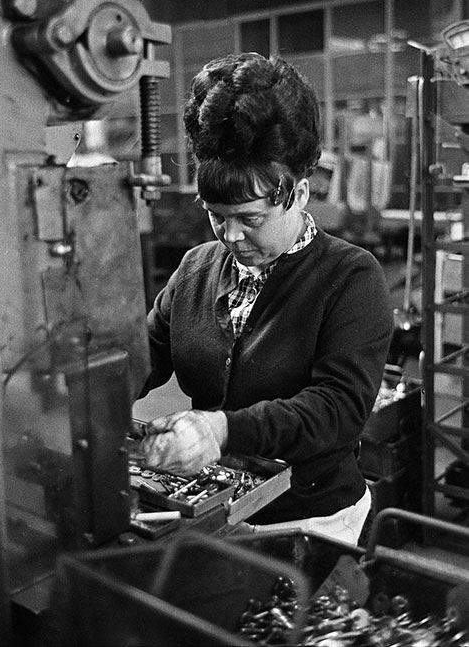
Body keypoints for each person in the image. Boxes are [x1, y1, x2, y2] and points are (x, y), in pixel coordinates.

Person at [133, 52, 394, 545]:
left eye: (250, 219)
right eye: (215, 215)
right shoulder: (195, 269)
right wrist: (81, 403)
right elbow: (142, 356)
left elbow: (337, 410)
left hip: (312, 520)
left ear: (297, 194)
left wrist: (221, 430)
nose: (229, 236)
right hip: (219, 510)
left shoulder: (350, 277)